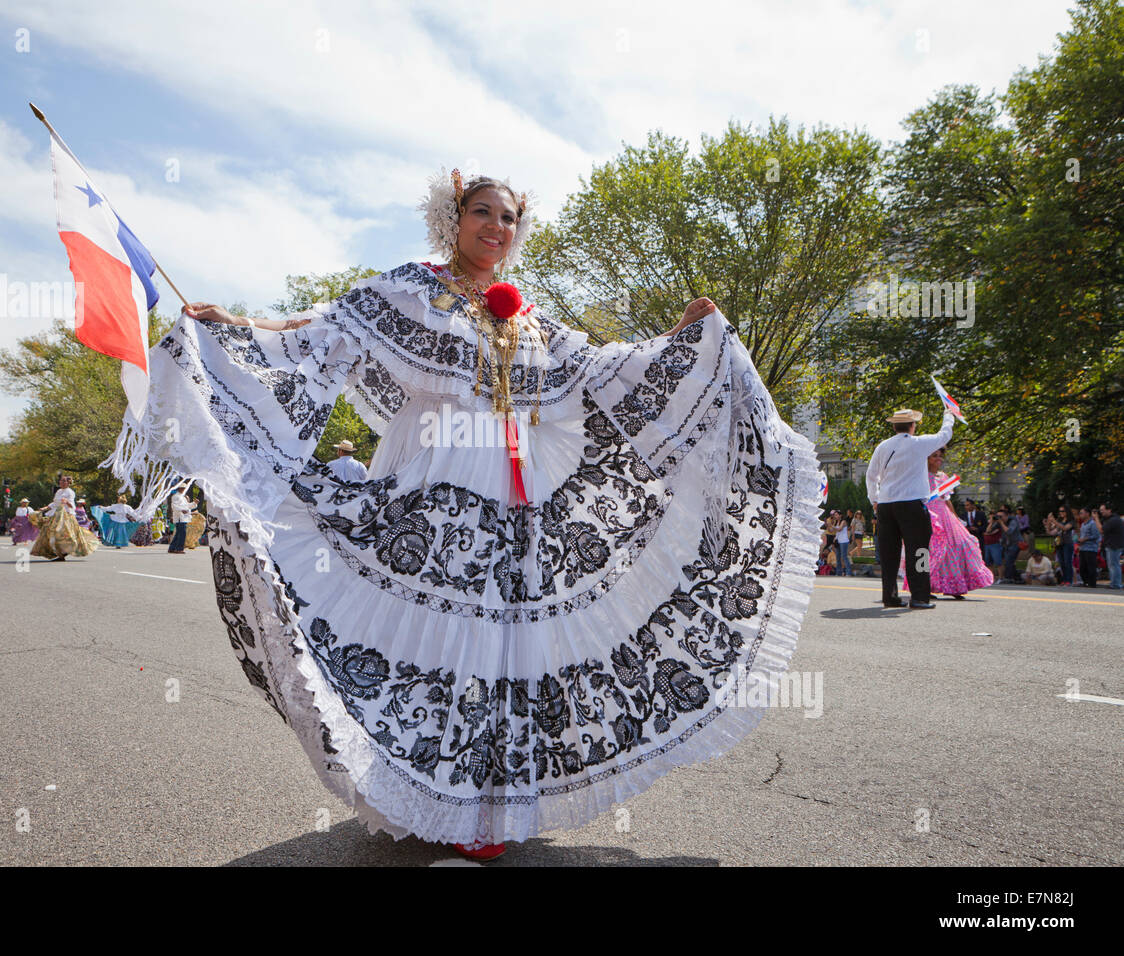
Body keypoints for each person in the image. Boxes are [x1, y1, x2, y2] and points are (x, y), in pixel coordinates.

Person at [103, 168, 823, 860]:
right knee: (442, 640)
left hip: (518, 496)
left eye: (509, 216)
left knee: (507, 642)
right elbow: (320, 332)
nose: (497, 226)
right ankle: (427, 793)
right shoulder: (413, 289)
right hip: (434, 485)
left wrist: (679, 341)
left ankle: (482, 806)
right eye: (484, 212)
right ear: (453, 221)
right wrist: (235, 322)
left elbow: (601, 368)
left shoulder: (531, 316)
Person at [865, 408, 955, 609]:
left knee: (889, 555)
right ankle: (920, 596)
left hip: (886, 505)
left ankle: (890, 596)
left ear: (894, 426)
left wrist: (874, 500)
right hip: (912, 505)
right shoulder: (919, 444)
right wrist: (949, 414)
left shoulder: (883, 446)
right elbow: (945, 434)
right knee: (920, 552)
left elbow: (871, 476)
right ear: (913, 426)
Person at [899, 448, 993, 598]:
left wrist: (955, 518)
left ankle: (955, 586)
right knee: (927, 551)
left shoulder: (943, 477)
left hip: (944, 517)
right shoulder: (920, 476)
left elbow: (946, 499)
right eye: (934, 456)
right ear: (926, 458)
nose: (939, 458)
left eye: (940, 456)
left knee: (956, 546)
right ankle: (924, 586)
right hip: (927, 515)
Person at [32, 475, 97, 561]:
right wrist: (45, 508)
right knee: (51, 534)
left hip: (66, 516)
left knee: (65, 535)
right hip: (56, 515)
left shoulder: (70, 492)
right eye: (60, 481)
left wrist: (66, 502)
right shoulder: (59, 491)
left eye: (63, 481)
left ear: (68, 483)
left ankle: (65, 551)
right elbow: (55, 503)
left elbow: (72, 505)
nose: (61, 482)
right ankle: (60, 554)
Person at [1047, 505, 1076, 586]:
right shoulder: (1059, 521)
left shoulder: (1071, 521)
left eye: (1063, 511)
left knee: (1068, 562)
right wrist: (1049, 522)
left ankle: (1069, 581)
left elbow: (1064, 528)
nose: (1061, 513)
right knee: (1062, 563)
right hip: (1059, 544)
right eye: (1060, 511)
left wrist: (1055, 521)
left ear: (1067, 512)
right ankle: (1064, 580)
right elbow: (1051, 532)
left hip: (1067, 543)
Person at [1075, 506, 1101, 588]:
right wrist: (1079, 541)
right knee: (1082, 567)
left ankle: (1092, 583)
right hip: (1083, 548)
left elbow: (1096, 535)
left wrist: (1084, 539)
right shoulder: (1083, 524)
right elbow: (1082, 535)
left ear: (1087, 514)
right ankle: (1085, 582)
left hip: (1091, 548)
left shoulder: (1093, 524)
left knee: (1091, 567)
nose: (1080, 515)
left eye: (1082, 513)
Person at [1100, 503, 1123, 590]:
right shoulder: (1112, 519)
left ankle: (1116, 584)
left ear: (1109, 510)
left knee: (1114, 565)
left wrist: (1096, 519)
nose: (1101, 512)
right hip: (1113, 545)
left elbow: (1101, 530)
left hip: (1114, 545)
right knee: (1112, 565)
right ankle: (1114, 583)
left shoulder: (1113, 520)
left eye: (1103, 510)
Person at [166, 482, 195, 554]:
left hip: (183, 517)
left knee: (179, 533)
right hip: (180, 517)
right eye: (183, 488)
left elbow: (187, 506)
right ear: (180, 488)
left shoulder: (183, 497)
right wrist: (181, 510)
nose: (184, 489)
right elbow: (174, 506)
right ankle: (179, 548)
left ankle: (172, 548)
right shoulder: (176, 496)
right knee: (182, 534)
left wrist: (194, 503)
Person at [833, 511, 851, 576]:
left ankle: (848, 572)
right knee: (838, 557)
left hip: (844, 541)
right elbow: (834, 531)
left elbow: (840, 529)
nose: (835, 516)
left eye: (837, 515)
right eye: (835, 515)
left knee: (844, 556)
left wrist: (832, 527)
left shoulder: (843, 522)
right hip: (838, 541)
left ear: (840, 515)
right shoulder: (836, 522)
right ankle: (839, 572)